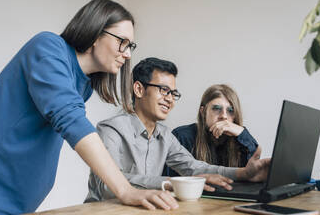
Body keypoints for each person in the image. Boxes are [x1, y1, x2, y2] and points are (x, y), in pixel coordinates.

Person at [0, 0, 178, 215]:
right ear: (95, 32)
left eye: (130, 46)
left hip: (17, 208)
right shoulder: (47, 47)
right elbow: (70, 120)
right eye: (122, 42)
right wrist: (125, 190)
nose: (127, 54)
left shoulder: (83, 85)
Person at [85, 57, 270, 202]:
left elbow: (196, 168)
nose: (170, 99)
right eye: (163, 90)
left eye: (173, 93)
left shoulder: (165, 136)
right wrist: (172, 183)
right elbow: (107, 185)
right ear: (139, 89)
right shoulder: (110, 129)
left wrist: (243, 173)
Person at [165, 84, 259, 176]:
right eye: (217, 108)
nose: (224, 116)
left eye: (231, 110)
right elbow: (169, 181)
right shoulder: (182, 136)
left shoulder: (240, 137)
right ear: (203, 112)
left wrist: (243, 133)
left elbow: (253, 172)